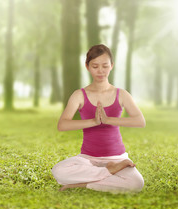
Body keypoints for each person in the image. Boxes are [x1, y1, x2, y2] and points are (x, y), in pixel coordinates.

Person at [51, 44, 146, 194]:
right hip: (88, 159)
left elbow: (140, 121)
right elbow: (62, 125)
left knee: (137, 183)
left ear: (112, 66)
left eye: (105, 66)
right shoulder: (79, 95)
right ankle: (108, 173)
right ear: (87, 66)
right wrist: (93, 122)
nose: (100, 71)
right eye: (95, 66)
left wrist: (109, 120)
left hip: (117, 158)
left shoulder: (121, 94)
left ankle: (85, 184)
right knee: (58, 170)